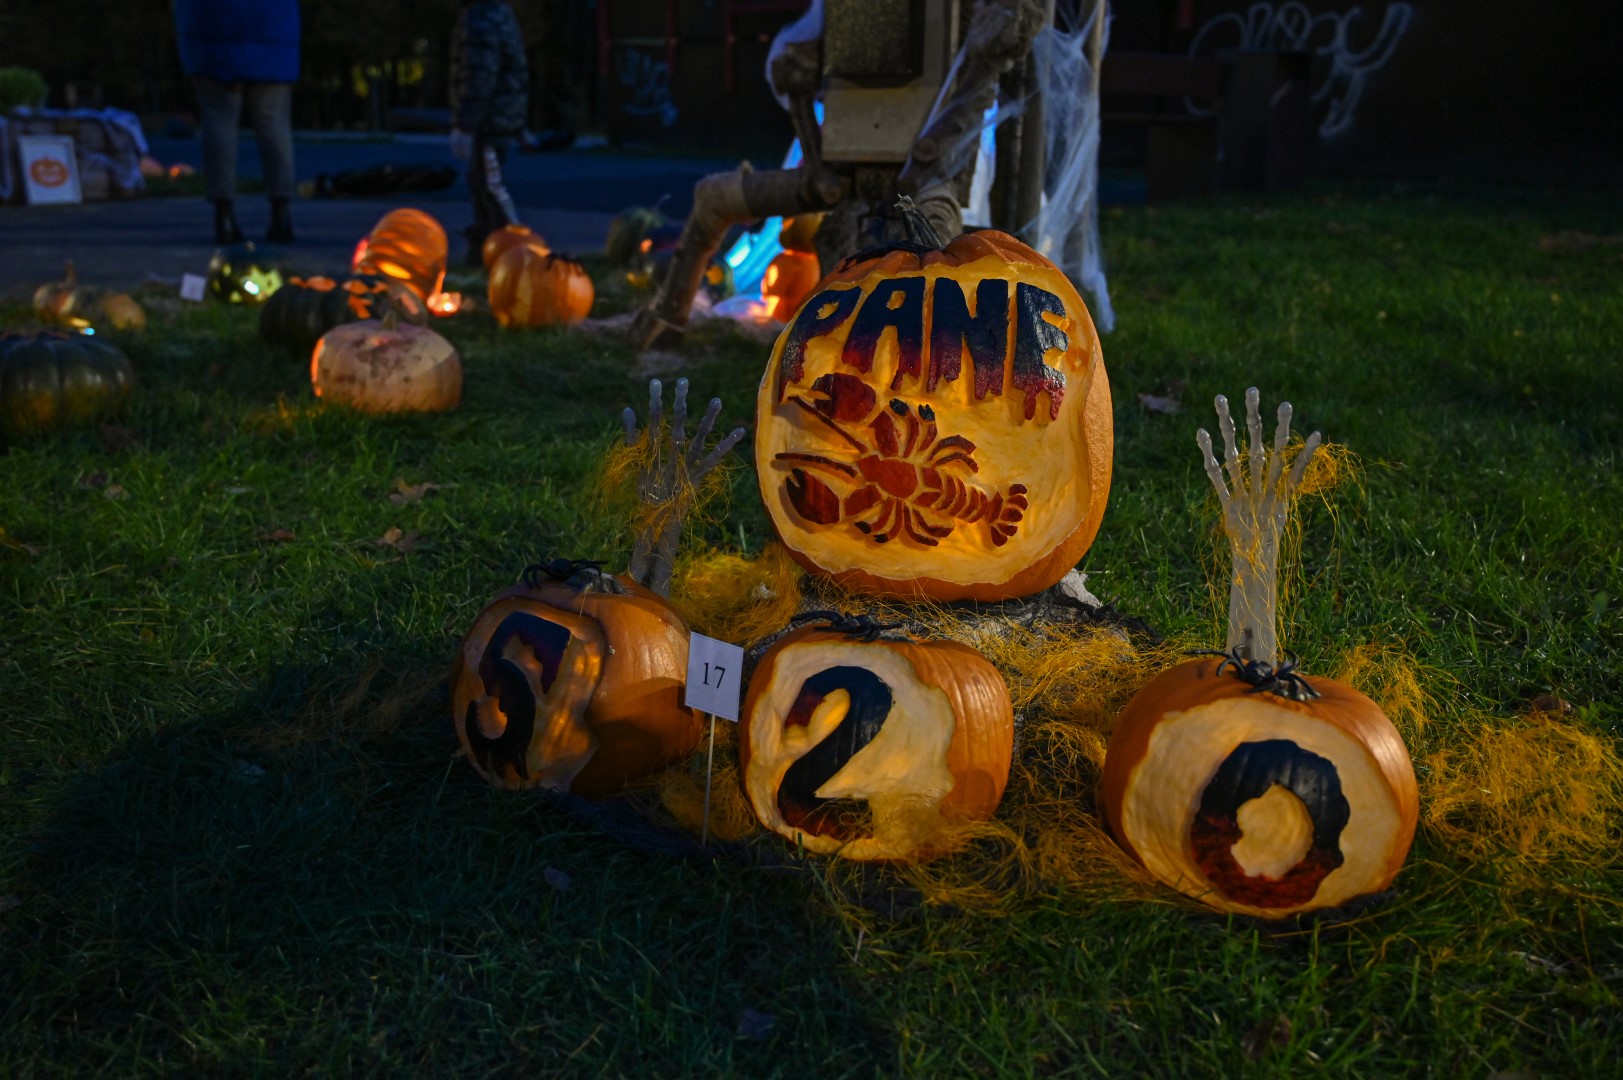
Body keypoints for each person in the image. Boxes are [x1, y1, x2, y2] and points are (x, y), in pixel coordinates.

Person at [173, 0, 301, 245]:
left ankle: (224, 215)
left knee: (218, 119)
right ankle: (281, 212)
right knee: (273, 121)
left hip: (212, 24)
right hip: (271, 26)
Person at [450, 0, 530, 264]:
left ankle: (498, 250)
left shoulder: (480, 19)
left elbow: (479, 74)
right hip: (501, 114)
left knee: (487, 186)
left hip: (490, 119)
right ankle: (494, 247)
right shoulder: (499, 13)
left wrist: (466, 123)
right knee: (489, 183)